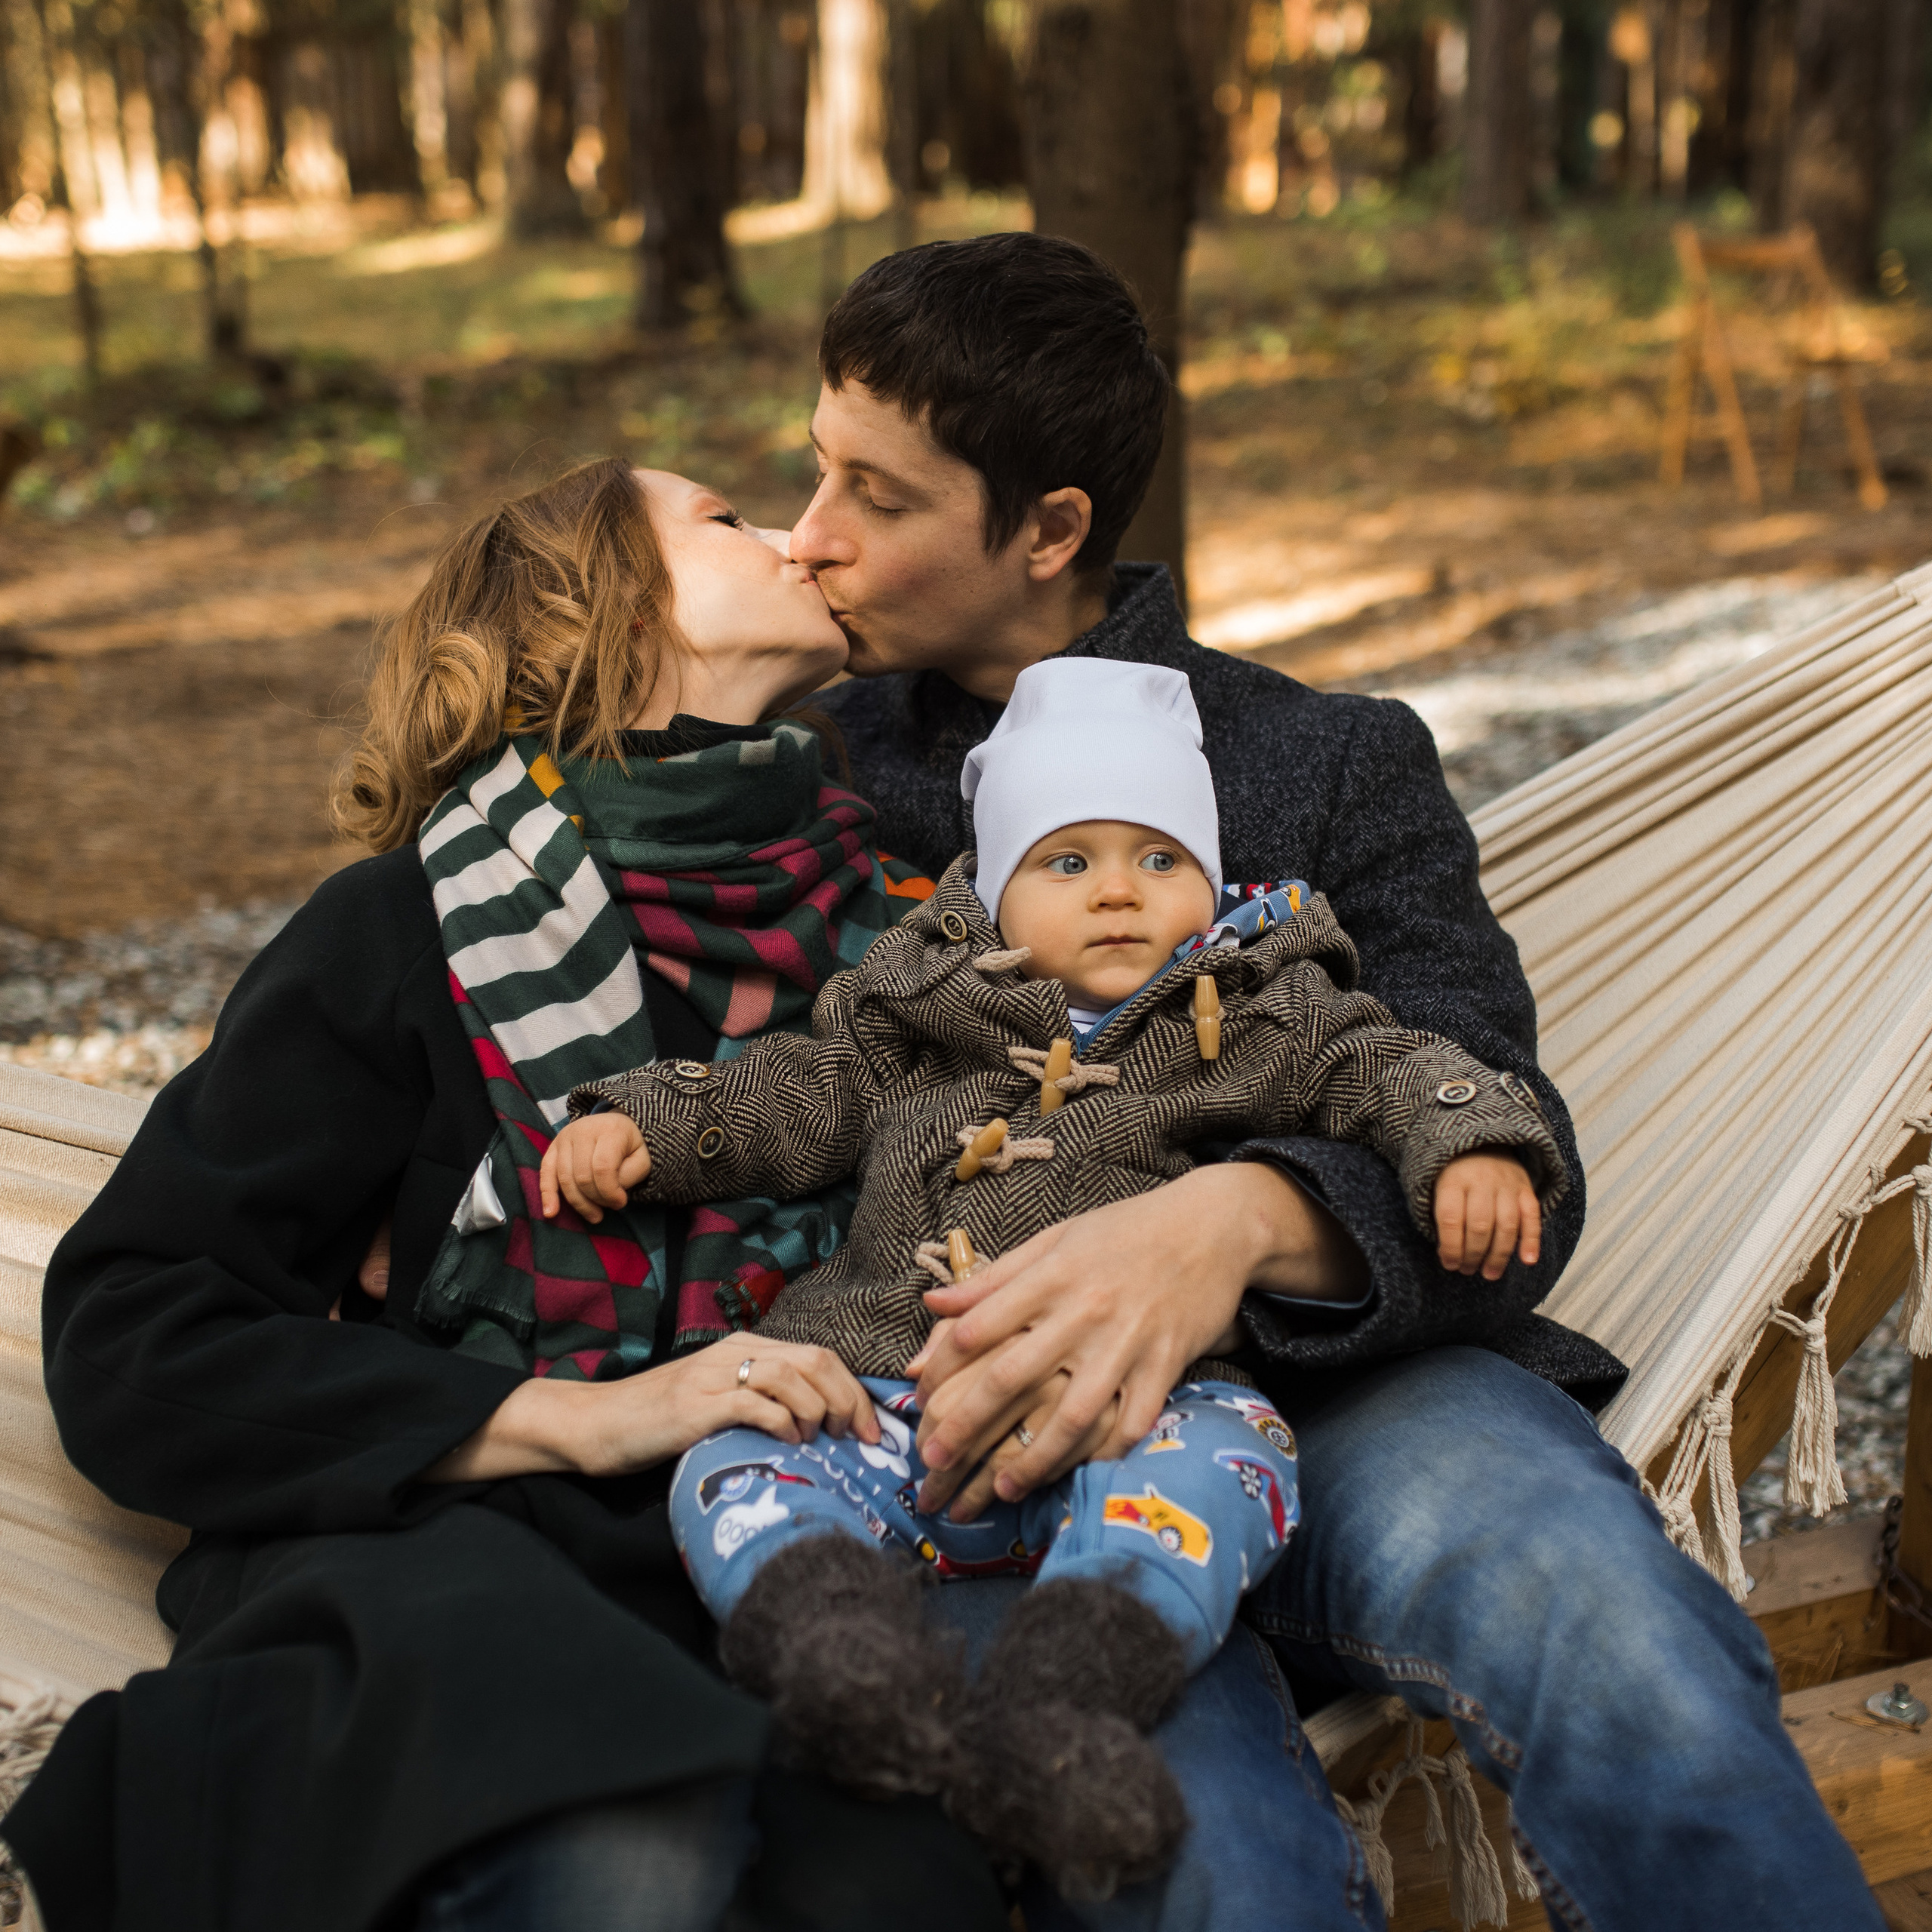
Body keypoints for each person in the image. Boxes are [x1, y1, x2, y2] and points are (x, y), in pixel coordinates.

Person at [776, 231, 1884, 1932]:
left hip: (1350, 1390)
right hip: (1004, 1451)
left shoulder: (1325, 758)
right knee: (1180, 1848)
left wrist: (1234, 1218)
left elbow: (1511, 1134)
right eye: (812, 470)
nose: (811, 535)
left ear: (1051, 529)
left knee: (1612, 1630)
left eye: (877, 493)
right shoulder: (807, 787)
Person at [3, 459, 1014, 1932]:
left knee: (885, 1885)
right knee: (617, 1827)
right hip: (466, 1566)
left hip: (790, 1561)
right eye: (723, 518)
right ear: (582, 617)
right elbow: (135, 1326)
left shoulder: (910, 932)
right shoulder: (410, 923)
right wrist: (584, 1414)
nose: (793, 534)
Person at [543, 654, 1564, 1901]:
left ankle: (1070, 1693)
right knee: (733, 1455)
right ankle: (834, 1649)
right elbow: (797, 1093)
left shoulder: (1261, 1009)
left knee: (1240, 1451)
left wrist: (1472, 1140)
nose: (1120, 893)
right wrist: (648, 1128)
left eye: (1158, 859)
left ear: (1209, 878)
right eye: (1069, 863)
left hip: (1135, 1410)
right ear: (995, 891)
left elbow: (1394, 1069)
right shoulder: (920, 1010)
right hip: (892, 1387)